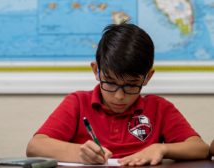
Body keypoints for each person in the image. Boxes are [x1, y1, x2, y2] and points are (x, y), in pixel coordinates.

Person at [26, 22, 209, 166]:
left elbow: (201, 149)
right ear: (96, 70)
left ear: (147, 77)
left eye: (131, 86)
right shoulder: (78, 103)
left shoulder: (159, 108)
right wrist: (79, 154)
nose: (119, 96)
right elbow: (35, 146)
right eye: (111, 83)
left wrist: (161, 149)